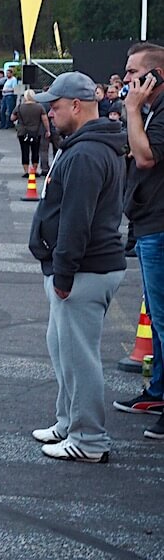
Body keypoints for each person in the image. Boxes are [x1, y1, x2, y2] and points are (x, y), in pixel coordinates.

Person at [28, 72, 127, 462]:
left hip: (84, 271)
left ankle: (89, 439)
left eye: (54, 105)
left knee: (79, 358)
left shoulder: (87, 153)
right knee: (63, 349)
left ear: (76, 106)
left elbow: (76, 220)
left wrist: (64, 273)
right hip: (80, 268)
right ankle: (68, 421)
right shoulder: (86, 146)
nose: (49, 112)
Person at [113, 42, 164, 438]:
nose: (126, 79)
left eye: (133, 73)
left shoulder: (157, 113)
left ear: (156, 75)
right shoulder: (153, 111)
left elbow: (146, 158)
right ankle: (158, 390)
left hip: (159, 228)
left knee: (163, 320)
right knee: (158, 319)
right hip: (148, 224)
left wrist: (132, 110)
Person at [10, 89, 50, 176]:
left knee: (24, 151)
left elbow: (12, 118)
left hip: (23, 132)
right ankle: (34, 170)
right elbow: (45, 119)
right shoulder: (39, 107)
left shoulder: (20, 107)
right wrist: (47, 130)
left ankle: (26, 170)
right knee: (35, 151)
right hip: (36, 132)